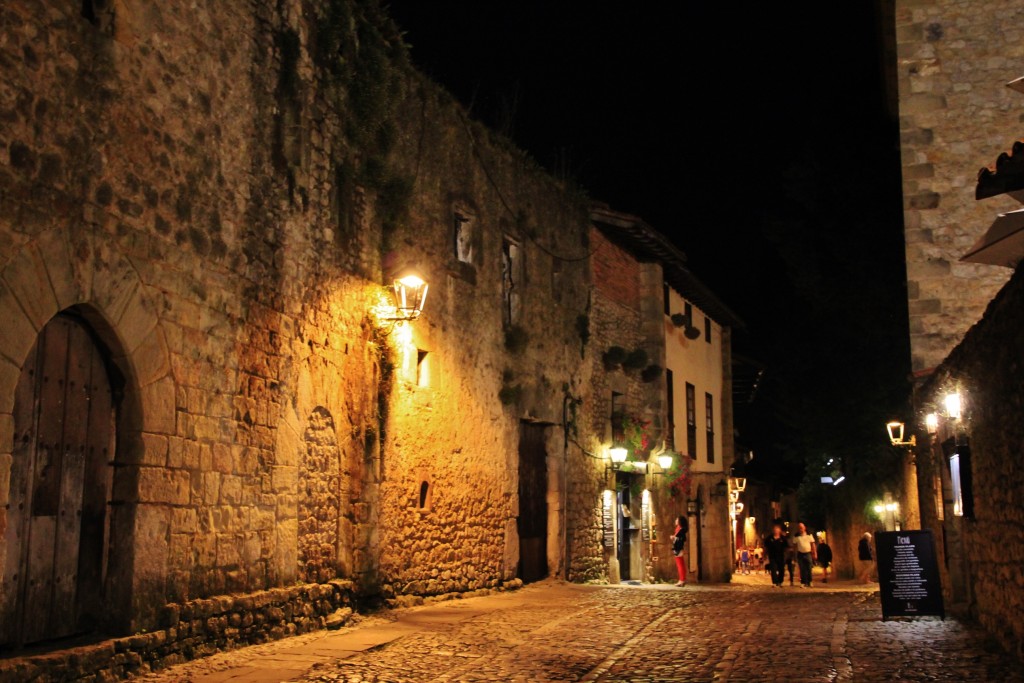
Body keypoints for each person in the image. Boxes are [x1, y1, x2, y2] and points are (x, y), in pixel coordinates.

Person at [793, 522, 816, 587]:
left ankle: (810, 581)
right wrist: (794, 554)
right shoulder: (796, 536)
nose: (800, 529)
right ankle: (803, 582)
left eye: (802, 527)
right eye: (799, 528)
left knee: (809, 568)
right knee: (802, 568)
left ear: (804, 528)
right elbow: (794, 546)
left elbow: (813, 544)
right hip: (800, 554)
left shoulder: (809, 535)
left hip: (808, 553)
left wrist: (814, 553)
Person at [672, 515, 688, 587]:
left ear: (679, 521)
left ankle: (682, 580)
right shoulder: (679, 529)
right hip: (678, 548)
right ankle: (682, 580)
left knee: (680, 565)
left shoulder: (681, 530)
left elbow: (681, 539)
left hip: (678, 548)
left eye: (677, 519)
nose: (675, 521)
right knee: (680, 564)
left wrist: (674, 537)